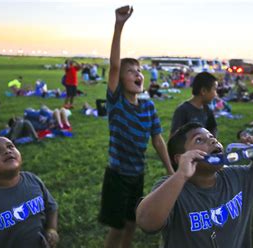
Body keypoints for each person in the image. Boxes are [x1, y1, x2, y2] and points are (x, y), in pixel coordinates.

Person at [99, 6, 174, 248]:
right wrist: (119, 25)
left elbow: (158, 140)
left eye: (139, 70)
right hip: (117, 175)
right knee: (117, 226)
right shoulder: (116, 104)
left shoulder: (148, 106)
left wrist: (171, 171)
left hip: (137, 174)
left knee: (132, 223)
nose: (137, 73)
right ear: (119, 81)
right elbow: (113, 66)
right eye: (130, 71)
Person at [136, 122, 253, 247]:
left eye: (213, 138)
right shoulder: (171, 189)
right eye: (199, 140)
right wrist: (180, 175)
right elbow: (146, 222)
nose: (213, 142)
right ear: (181, 159)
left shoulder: (236, 176)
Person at [170, 72, 218, 137]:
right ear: (203, 91)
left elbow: (213, 127)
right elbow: (174, 137)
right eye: (214, 89)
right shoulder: (183, 110)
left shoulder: (207, 109)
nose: (216, 94)